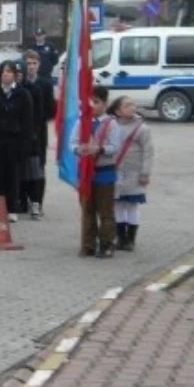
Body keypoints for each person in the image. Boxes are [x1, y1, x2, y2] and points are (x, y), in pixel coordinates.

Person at [72, 85, 124, 259]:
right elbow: (71, 142)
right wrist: (79, 149)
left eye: (96, 102)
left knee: (105, 211)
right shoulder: (82, 121)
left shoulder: (112, 123)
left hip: (104, 172)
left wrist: (99, 150)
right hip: (86, 172)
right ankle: (88, 244)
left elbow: (115, 147)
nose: (92, 105)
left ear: (105, 103)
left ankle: (107, 243)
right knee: (87, 210)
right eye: (89, 102)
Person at [0, 59, 34, 223]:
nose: (6, 74)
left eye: (9, 71)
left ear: (15, 75)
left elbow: (27, 122)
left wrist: (25, 145)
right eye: (3, 71)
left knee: (12, 176)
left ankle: (12, 208)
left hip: (15, 141)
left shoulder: (22, 94)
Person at [110, 96, 154, 253]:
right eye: (127, 105)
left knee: (132, 206)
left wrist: (145, 172)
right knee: (118, 205)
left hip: (134, 173)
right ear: (118, 111)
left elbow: (148, 152)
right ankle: (120, 238)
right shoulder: (112, 126)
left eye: (133, 104)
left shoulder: (142, 128)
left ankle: (131, 239)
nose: (132, 107)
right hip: (116, 172)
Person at [21, 50, 56, 219]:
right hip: (22, 132)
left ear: (39, 65)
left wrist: (37, 120)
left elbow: (51, 110)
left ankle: (37, 202)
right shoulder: (19, 83)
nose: (31, 67)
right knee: (22, 167)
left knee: (37, 167)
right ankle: (23, 199)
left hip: (38, 132)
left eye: (34, 63)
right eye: (28, 63)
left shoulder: (45, 84)